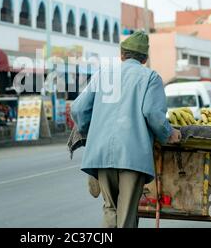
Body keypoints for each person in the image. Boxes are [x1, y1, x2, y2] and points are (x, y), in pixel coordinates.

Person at [71, 30, 181, 228]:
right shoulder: (150, 78)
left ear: (122, 54)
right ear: (145, 58)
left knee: (110, 208)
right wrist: (169, 133)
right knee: (127, 214)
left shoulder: (103, 75)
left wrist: (90, 131)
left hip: (100, 153)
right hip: (132, 156)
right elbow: (153, 114)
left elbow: (78, 109)